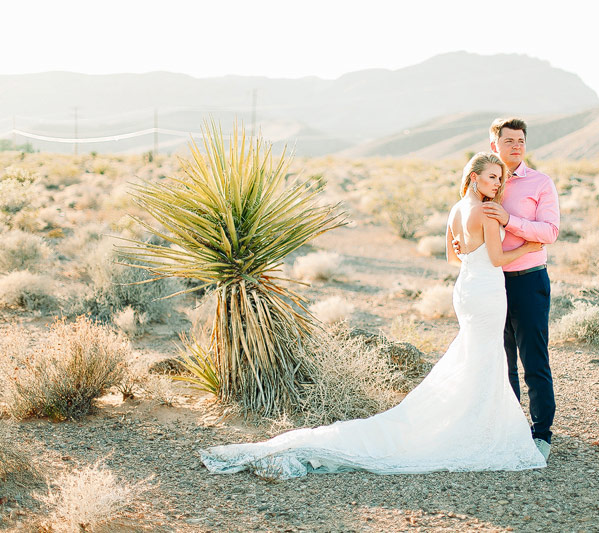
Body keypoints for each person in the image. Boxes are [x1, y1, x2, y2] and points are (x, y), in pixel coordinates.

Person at [199, 152, 547, 480]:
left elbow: (452, 257)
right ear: (474, 177)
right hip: (486, 290)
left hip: (467, 287)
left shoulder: (458, 208)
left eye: (500, 178)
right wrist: (533, 245)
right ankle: (478, 428)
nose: (498, 184)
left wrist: (472, 251)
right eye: (491, 177)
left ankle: (474, 422)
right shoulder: (486, 213)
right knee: (485, 357)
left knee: (477, 357)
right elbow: (500, 259)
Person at [455, 117, 560, 462]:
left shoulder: (540, 183)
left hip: (529, 279)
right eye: (509, 140)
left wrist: (508, 220)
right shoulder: (488, 182)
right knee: (502, 362)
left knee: (534, 360)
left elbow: (549, 232)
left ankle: (541, 432)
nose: (516, 146)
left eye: (521, 140)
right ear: (494, 145)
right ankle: (510, 428)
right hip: (492, 285)